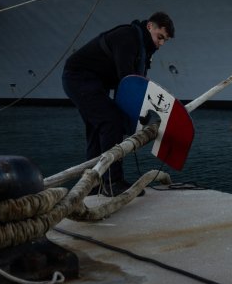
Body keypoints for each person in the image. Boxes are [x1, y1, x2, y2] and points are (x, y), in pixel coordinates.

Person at [62, 12, 175, 196]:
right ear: (150, 27)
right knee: (111, 120)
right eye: (160, 37)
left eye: (165, 41)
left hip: (95, 82)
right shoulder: (128, 38)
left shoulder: (144, 49)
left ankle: (93, 185)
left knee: (97, 128)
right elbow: (127, 80)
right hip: (78, 77)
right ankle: (113, 182)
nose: (161, 43)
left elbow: (136, 83)